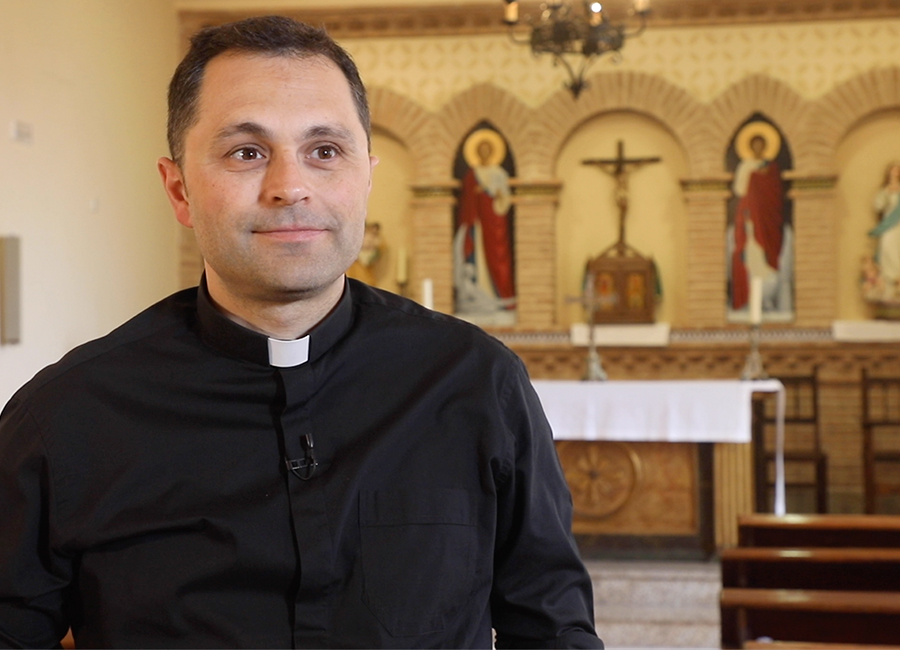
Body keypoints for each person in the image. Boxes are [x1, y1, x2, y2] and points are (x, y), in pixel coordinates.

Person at [0, 16, 601, 650]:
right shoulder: (66, 417)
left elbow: (554, 630)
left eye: (324, 151)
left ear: (365, 176)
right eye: (246, 152)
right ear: (179, 189)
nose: (290, 187)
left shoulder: (477, 382)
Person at [453, 128, 517, 317]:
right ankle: (476, 297)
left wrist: (491, 195)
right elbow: (466, 199)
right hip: (477, 224)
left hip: (494, 226)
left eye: (487, 150)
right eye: (481, 151)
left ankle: (500, 297)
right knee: (475, 257)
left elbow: (504, 201)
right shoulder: (471, 174)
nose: (484, 154)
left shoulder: (499, 173)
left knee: (496, 258)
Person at [867, 161, 900, 301]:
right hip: (888, 227)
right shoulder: (885, 190)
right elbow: (878, 206)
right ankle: (889, 284)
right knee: (887, 251)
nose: (895, 172)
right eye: (893, 170)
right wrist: (887, 192)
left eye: (897, 170)